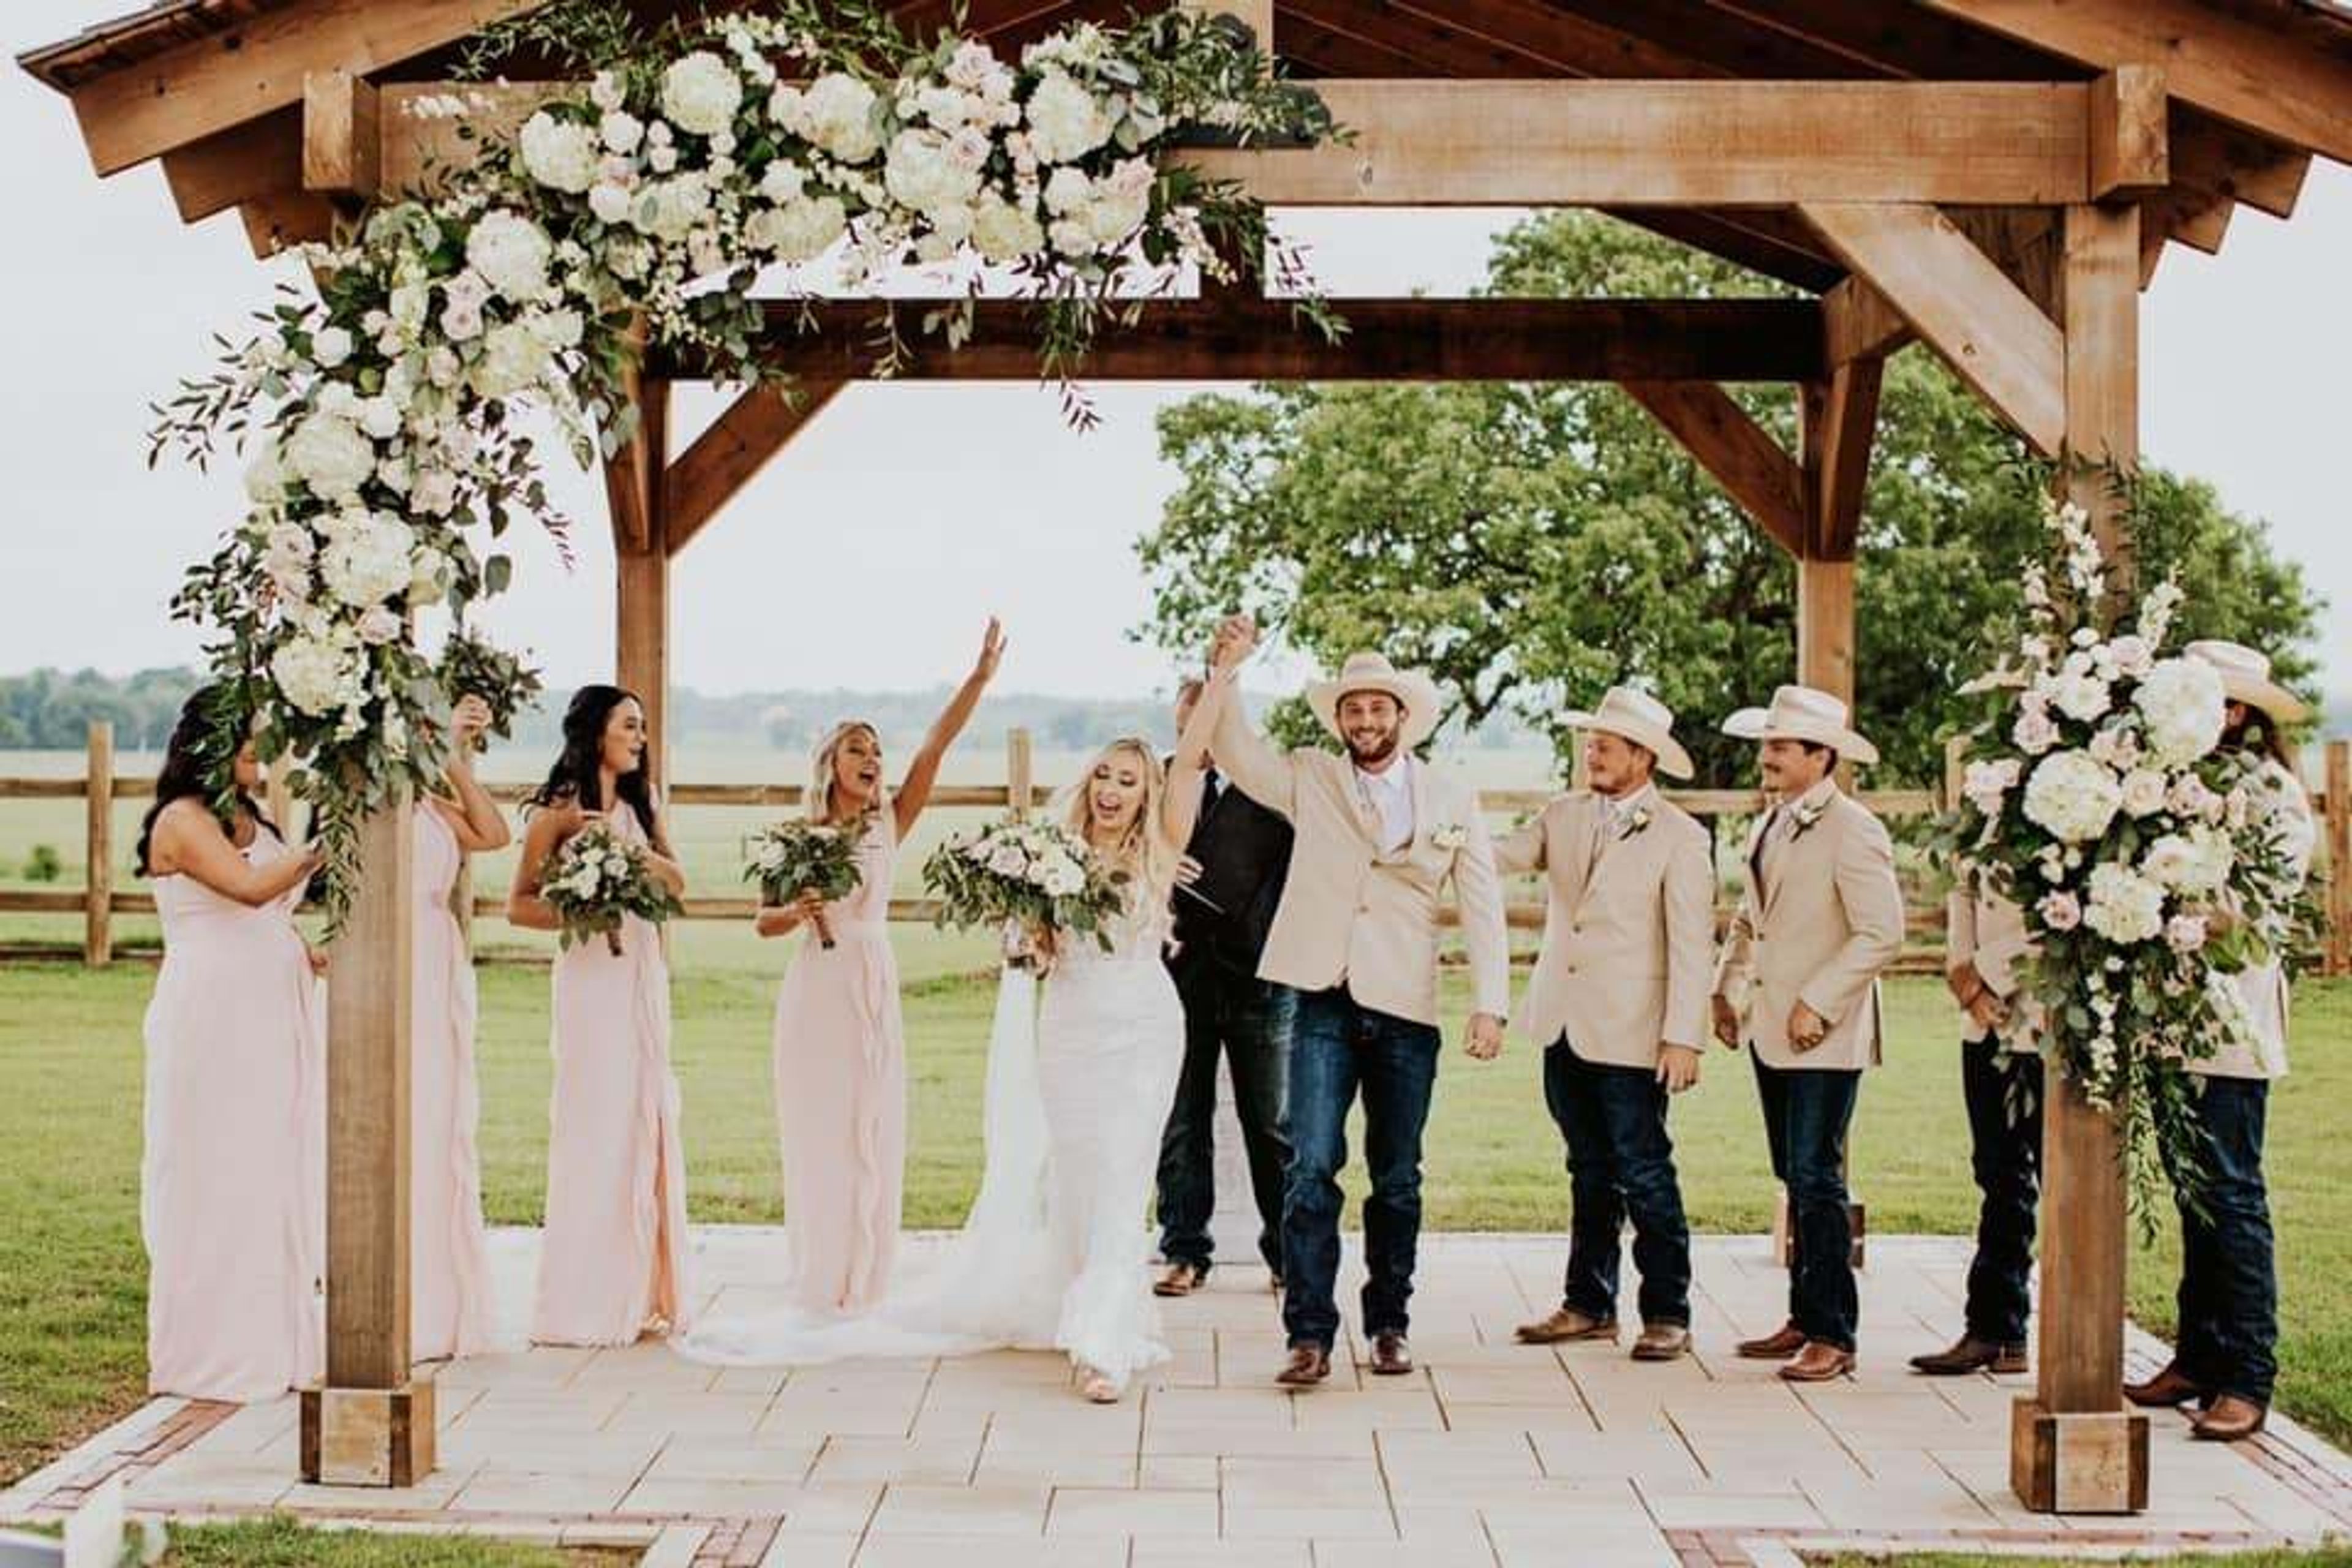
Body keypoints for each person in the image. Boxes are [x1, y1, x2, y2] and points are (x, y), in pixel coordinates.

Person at [1204, 615, 1510, 1387]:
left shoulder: (1450, 794)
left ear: (1402, 716)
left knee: (1397, 1176)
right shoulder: (1310, 776)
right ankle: (1308, 1333)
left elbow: (1482, 902)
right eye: (1352, 709)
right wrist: (1227, 672)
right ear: (1338, 719)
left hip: (1407, 1008)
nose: (1365, 720)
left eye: (1377, 708)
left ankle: (1390, 1322)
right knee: (1310, 1166)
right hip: (1322, 1000)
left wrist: (1491, 1002)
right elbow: (1235, 753)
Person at [760, 620, 1003, 1316]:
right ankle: (823, 1268)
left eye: (875, 750)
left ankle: (867, 1270)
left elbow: (934, 747)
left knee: (873, 1119)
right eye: (857, 749)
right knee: (821, 1124)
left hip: (872, 974)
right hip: (817, 988)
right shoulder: (797, 836)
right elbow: (764, 920)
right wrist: (798, 910)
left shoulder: (889, 822)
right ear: (831, 764)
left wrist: (978, 679)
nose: (872, 759)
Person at [2125, 639, 2314, 1441]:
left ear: (2234, 713)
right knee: (2191, 1192)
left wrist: (2183, 905)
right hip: (2172, 1018)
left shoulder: (2273, 793)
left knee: (2232, 1191)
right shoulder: (2173, 783)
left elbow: (2263, 910)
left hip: (2231, 1018)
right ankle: (2198, 1355)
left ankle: (2247, 1374)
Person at [1496, 687, 1713, 1363]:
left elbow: (1692, 945)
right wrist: (1439, 829)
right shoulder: (1561, 815)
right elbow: (1498, 856)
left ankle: (1668, 1313)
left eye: (1605, 746)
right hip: (1562, 1022)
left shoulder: (1682, 837)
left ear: (1643, 757)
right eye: (1590, 744)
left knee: (1645, 1172)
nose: (1591, 754)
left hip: (1634, 1031)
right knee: (1587, 1168)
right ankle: (1588, 1304)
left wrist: (1684, 1036)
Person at [137, 688, 328, 1400]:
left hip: (271, 1014)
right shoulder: (181, 819)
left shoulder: (254, 815)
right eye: (249, 738)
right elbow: (247, 889)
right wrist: (325, 845)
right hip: (215, 1016)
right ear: (212, 744)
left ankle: (272, 1337)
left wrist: (308, 953)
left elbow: (267, 918)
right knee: (219, 1163)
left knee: (269, 1162)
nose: (260, 750)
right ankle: (213, 1350)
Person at [1711, 685, 1904, 1383]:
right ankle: (1804, 1314)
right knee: (1793, 1173)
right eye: (1766, 745)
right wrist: (1725, 989)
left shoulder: (1854, 830)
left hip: (1824, 1030)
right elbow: (1751, 918)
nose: (1766, 757)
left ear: (1821, 756)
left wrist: (1817, 1002)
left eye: (1780, 747)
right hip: (1769, 1024)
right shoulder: (1772, 821)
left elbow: (1882, 932)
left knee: (1818, 1177)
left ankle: (1833, 1333)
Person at [508, 685, 693, 1346]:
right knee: (595, 1124)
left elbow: (677, 884)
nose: (640, 737)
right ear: (595, 734)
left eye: (642, 727)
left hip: (639, 975)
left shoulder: (643, 804)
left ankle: (639, 1289)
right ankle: (583, 1300)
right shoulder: (558, 812)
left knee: (642, 1116)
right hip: (590, 982)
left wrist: (626, 853)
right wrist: (583, 907)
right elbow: (519, 905)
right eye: (628, 726)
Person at [1153, 674, 1296, 1298]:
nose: (1198, 741)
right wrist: (1160, 866)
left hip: (1260, 980)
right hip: (1174, 976)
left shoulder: (1272, 789)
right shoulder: (1155, 786)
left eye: (1209, 727)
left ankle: (1288, 1254)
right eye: (1186, 728)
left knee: (1271, 1124)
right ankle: (1184, 1250)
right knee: (1181, 1119)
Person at [1910, 872, 2040, 1378]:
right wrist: (1964, 978)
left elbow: (2063, 911)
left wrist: (1987, 972)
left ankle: (2080, 1348)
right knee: (1997, 1174)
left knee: (2061, 1181)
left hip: (2045, 1017)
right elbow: (1963, 890)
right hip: (1985, 1023)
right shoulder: (1979, 822)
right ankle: (1996, 1328)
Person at [411, 692, 510, 1362]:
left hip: (436, 953)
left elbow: (494, 833)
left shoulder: (429, 803)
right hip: (400, 951)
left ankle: (439, 1280)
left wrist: (455, 763)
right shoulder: (376, 802)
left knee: (439, 1110)